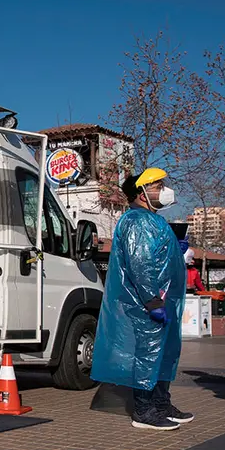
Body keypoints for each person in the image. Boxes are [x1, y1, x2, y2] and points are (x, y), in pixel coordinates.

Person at [91, 168, 191, 430]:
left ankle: (160, 403)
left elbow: (156, 257)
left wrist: (174, 249)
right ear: (141, 193)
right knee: (148, 353)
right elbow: (141, 263)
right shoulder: (138, 221)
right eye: (158, 185)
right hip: (147, 303)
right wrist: (153, 301)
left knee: (164, 352)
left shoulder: (152, 219)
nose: (164, 190)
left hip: (161, 300)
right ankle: (144, 411)